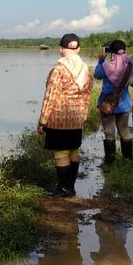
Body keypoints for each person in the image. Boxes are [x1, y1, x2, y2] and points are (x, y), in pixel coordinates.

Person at [37, 33, 94, 197]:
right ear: (78, 49)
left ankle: (64, 188)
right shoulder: (86, 70)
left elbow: (50, 97)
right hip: (77, 117)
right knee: (73, 151)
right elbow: (87, 96)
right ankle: (71, 186)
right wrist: (83, 116)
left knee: (61, 153)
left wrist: (42, 121)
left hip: (60, 118)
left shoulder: (59, 70)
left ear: (61, 50)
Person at [94, 39, 133, 164]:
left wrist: (101, 59)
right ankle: (127, 159)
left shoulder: (106, 66)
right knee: (125, 132)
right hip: (124, 104)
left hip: (107, 105)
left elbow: (97, 75)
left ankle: (110, 161)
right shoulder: (130, 66)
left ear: (111, 52)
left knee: (109, 133)